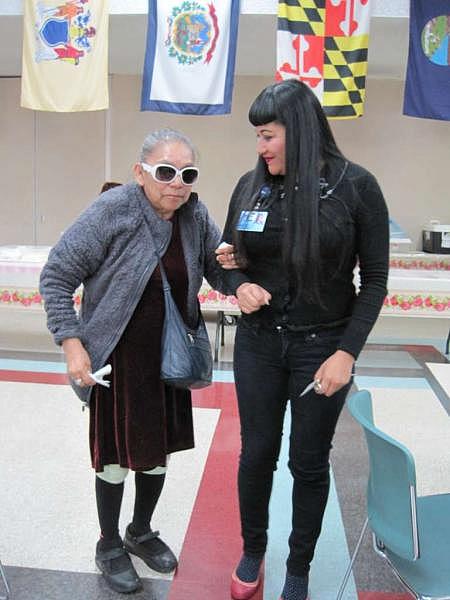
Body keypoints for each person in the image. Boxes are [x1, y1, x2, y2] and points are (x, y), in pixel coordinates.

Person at [216, 79, 389, 600]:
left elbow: (375, 280)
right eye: (257, 137)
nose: (260, 147)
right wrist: (236, 283)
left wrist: (346, 353)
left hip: (324, 348)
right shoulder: (251, 187)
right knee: (256, 453)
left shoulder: (356, 187)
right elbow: (223, 260)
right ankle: (253, 549)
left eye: (267, 135)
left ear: (302, 131)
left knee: (309, 462)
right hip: (259, 344)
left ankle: (298, 567)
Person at [39, 128, 224, 594]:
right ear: (140, 172)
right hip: (118, 364)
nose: (177, 183)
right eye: (165, 171)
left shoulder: (195, 215)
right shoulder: (112, 210)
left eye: (187, 173)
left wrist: (241, 277)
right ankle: (108, 543)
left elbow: (217, 266)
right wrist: (72, 343)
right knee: (116, 458)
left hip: (169, 358)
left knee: (156, 454)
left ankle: (140, 531)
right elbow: (57, 276)